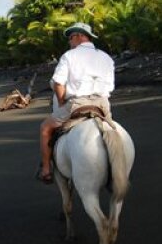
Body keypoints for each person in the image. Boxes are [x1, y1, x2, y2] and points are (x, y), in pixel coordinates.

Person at [37, 22, 115, 183]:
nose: (69, 42)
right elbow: (110, 86)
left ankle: (46, 169)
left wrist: (60, 101)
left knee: (45, 128)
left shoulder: (69, 56)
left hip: (77, 104)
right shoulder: (105, 57)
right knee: (111, 129)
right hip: (103, 104)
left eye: (71, 38)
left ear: (79, 36)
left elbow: (58, 82)